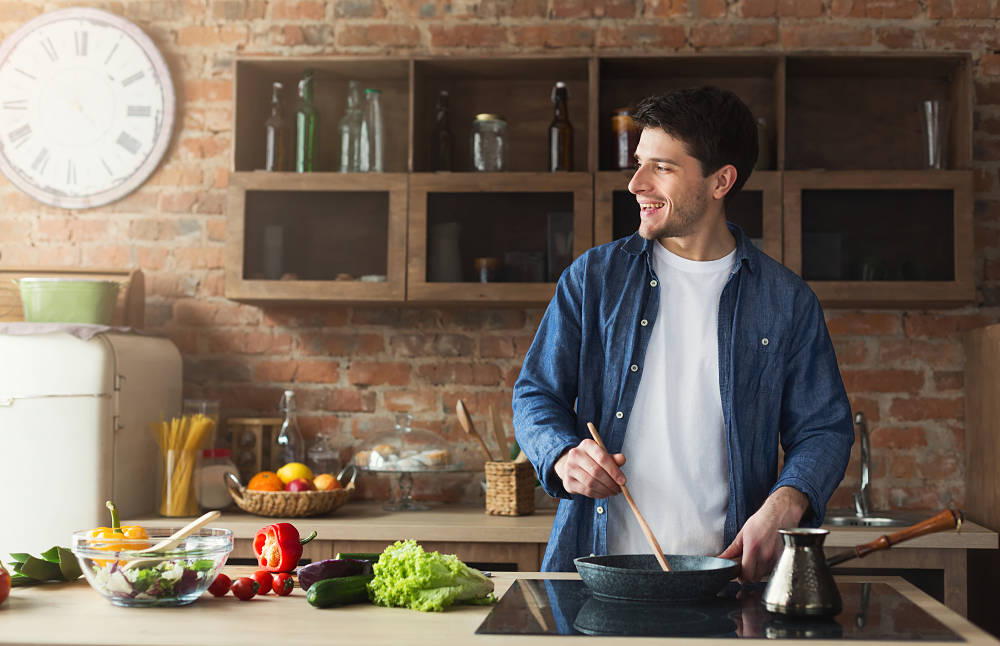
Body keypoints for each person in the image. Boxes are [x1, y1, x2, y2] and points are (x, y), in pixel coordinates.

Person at [512, 86, 853, 581]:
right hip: (597, 573)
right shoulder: (594, 279)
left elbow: (824, 428)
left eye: (662, 167)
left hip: (728, 581)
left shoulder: (787, 300)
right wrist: (563, 454)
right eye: (638, 162)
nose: (635, 184)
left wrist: (786, 504)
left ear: (721, 181)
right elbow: (535, 393)